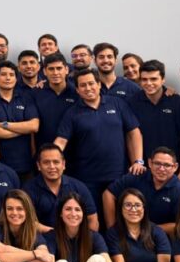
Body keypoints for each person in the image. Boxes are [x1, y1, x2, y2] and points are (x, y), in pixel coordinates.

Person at [55, 68, 144, 211]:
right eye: (83, 85)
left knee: (120, 217)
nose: (88, 88)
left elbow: (134, 132)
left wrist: (138, 161)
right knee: (92, 217)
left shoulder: (117, 104)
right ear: (77, 90)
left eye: (91, 83)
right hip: (87, 178)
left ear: (99, 84)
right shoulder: (72, 113)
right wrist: (52, 158)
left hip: (118, 175)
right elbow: (61, 141)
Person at [128, 60, 180, 181]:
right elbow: (131, 135)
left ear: (163, 80)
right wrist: (136, 162)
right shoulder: (133, 103)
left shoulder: (178, 102)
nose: (149, 83)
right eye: (144, 79)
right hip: (144, 169)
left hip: (173, 170)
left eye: (154, 79)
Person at [102, 147, 180, 233]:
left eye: (167, 165)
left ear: (175, 167)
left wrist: (146, 231)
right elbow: (108, 194)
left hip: (159, 235)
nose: (161, 169)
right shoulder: (137, 175)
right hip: (127, 232)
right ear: (150, 163)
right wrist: (112, 228)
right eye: (157, 163)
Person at [21, 144, 99, 233]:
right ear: (39, 165)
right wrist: (56, 234)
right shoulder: (28, 189)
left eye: (56, 162)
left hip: (75, 238)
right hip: (43, 238)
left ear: (63, 164)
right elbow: (26, 221)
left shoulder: (79, 187)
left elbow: (92, 219)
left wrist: (86, 240)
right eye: (46, 162)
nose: (52, 166)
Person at [0, 61, 39, 179]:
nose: (8, 78)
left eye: (11, 75)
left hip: (25, 164)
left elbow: (34, 126)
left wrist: (5, 125)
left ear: (16, 79)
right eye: (3, 74)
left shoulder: (26, 98)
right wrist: (23, 130)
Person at [30, 53, 78, 149]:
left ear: (66, 70)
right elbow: (32, 127)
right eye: (51, 69)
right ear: (44, 71)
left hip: (74, 150)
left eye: (59, 68)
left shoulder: (77, 93)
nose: (55, 73)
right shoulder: (35, 93)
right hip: (43, 150)